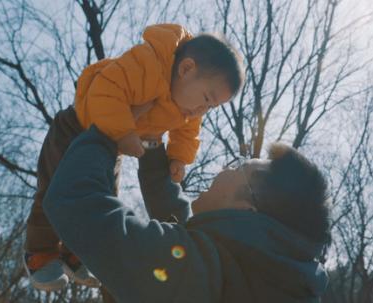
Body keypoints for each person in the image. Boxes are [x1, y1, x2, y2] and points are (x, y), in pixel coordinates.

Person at [24, 23, 245, 291]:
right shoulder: (149, 64)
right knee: (54, 187)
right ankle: (40, 253)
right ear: (186, 68)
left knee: (102, 196)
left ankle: (76, 252)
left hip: (112, 146)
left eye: (211, 107)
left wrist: (178, 158)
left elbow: (188, 132)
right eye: (206, 98)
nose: (202, 110)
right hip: (75, 130)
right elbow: (105, 89)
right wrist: (124, 130)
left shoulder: (186, 107)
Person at [42, 125, 331, 302]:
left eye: (240, 165)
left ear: (246, 209)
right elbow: (187, 231)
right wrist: (152, 144)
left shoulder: (199, 273)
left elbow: (76, 202)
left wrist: (107, 127)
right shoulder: (274, 278)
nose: (225, 168)